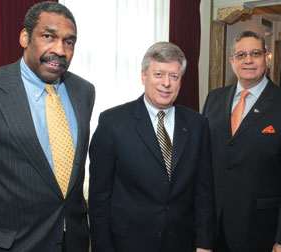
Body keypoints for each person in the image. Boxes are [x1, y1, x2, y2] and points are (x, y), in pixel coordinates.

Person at [0, 2, 95, 251]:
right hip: (5, 244)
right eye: (48, 36)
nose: (60, 50)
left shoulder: (84, 91)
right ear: (24, 37)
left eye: (69, 42)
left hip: (71, 242)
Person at [88, 41, 216, 252]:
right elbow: (99, 199)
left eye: (174, 76)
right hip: (128, 244)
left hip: (182, 243)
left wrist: (204, 244)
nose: (166, 83)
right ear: (143, 76)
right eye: (158, 74)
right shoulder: (112, 122)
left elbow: (204, 193)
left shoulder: (198, 125)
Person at [202, 30, 281, 252]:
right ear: (232, 61)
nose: (249, 60)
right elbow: (204, 164)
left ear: (267, 58)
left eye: (255, 53)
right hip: (212, 228)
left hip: (260, 230)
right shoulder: (213, 99)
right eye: (241, 55)